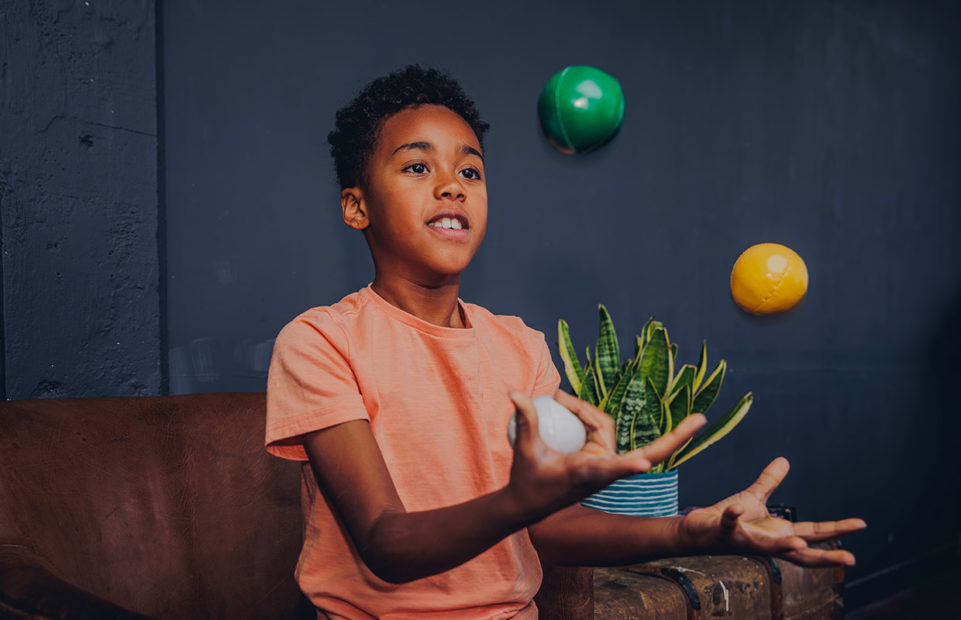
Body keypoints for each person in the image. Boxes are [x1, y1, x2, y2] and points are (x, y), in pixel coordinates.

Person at [265, 65, 865, 619]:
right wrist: (519, 502)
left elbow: (549, 530)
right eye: (418, 167)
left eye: (470, 170)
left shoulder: (519, 346)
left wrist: (695, 532)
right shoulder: (320, 341)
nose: (452, 186)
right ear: (356, 205)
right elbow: (385, 543)